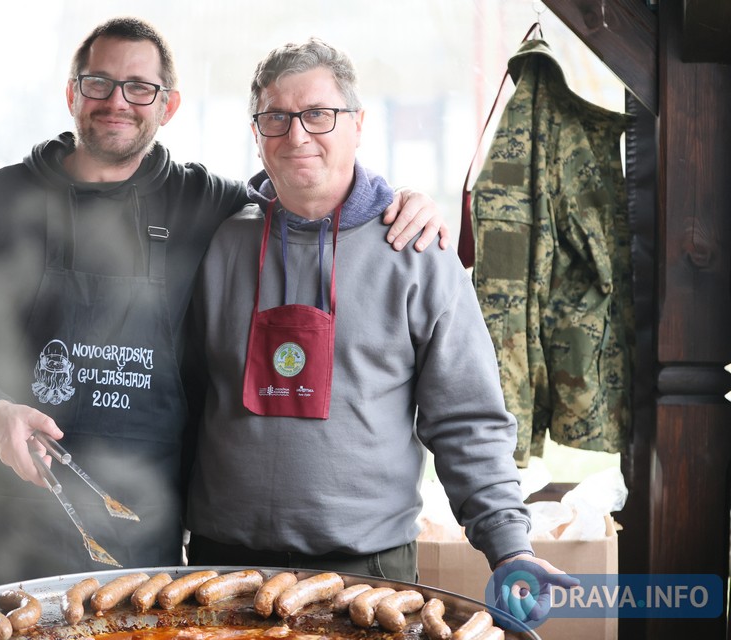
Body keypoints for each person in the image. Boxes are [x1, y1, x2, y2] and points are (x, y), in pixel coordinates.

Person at [0, 17, 448, 596]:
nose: (117, 101)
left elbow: (306, 191)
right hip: (1, 524)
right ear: (72, 94)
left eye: (140, 87)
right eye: (99, 83)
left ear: (169, 106)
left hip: (138, 538)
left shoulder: (205, 204)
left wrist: (393, 201)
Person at [185, 37, 570, 583]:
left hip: (367, 568)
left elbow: (467, 418)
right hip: (221, 563)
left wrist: (509, 547)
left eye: (318, 114)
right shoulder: (222, 244)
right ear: (256, 133)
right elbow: (182, 396)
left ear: (358, 124)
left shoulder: (415, 251)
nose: (297, 135)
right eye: (276, 118)